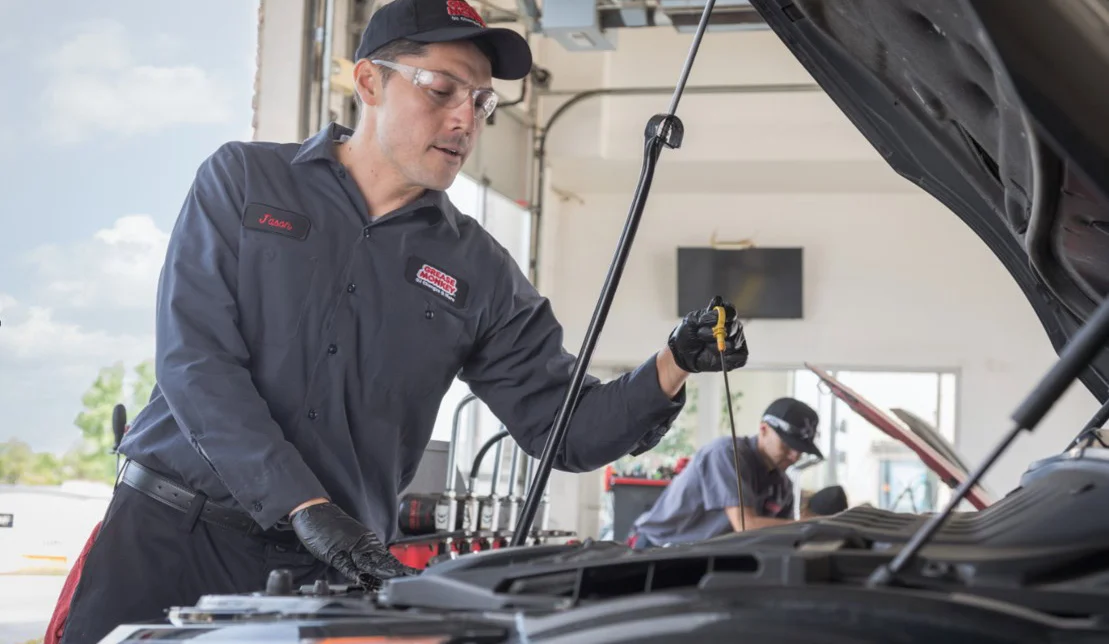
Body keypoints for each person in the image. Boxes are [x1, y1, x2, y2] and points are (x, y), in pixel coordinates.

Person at [53, 1, 749, 641]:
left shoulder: (479, 272)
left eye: (481, 102)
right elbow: (195, 363)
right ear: (369, 82)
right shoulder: (242, 182)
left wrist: (672, 363)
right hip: (163, 539)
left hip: (321, 582)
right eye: (440, 90)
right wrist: (304, 504)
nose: (464, 120)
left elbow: (561, 428)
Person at [627, 397, 823, 549]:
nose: (795, 456)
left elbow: (782, 534)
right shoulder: (726, 454)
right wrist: (815, 525)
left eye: (801, 449)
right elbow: (746, 525)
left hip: (703, 556)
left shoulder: (783, 486)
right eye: (788, 445)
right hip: (657, 549)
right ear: (763, 429)